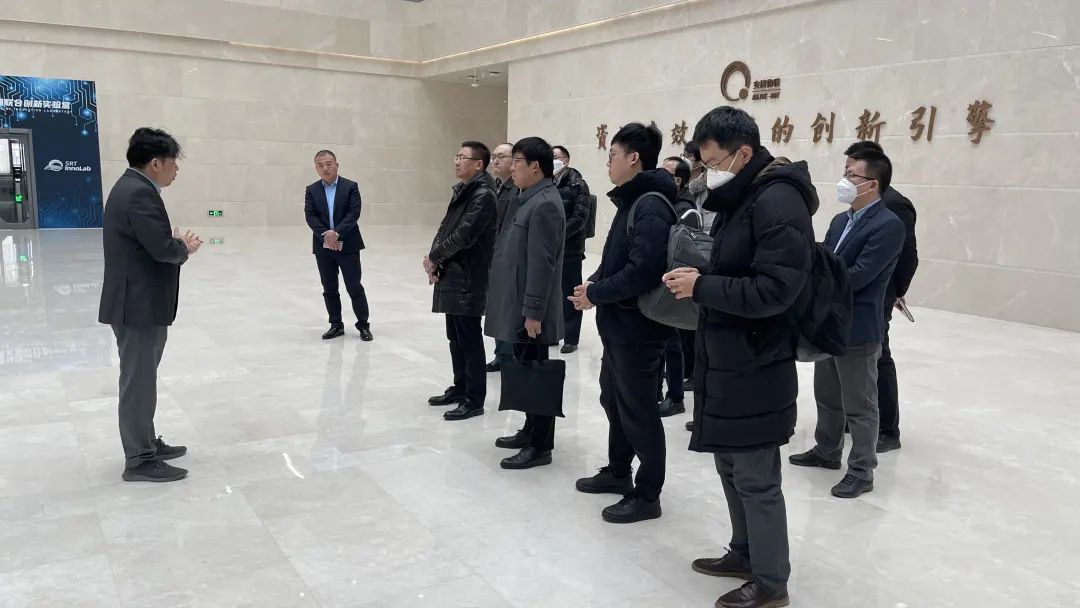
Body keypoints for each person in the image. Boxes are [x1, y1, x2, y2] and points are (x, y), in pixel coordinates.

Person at [664, 106, 816, 608]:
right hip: (729, 355)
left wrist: (703, 286)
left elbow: (776, 290)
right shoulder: (745, 195)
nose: (708, 173)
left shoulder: (778, 201)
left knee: (756, 477)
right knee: (730, 465)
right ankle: (745, 552)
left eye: (713, 163)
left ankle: (771, 583)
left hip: (757, 361)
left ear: (744, 153)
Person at [570, 123, 675, 524]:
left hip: (639, 330)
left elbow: (642, 271)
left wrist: (597, 293)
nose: (608, 163)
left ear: (634, 158)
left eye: (612, 155)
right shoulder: (632, 201)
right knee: (615, 400)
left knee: (639, 410)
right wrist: (594, 283)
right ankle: (618, 472)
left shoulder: (650, 204)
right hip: (620, 327)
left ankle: (648, 495)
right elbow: (618, 260)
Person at [789, 145, 905, 499]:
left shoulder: (889, 225)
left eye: (852, 175)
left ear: (872, 184)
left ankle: (861, 470)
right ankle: (827, 450)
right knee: (827, 395)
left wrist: (817, 282)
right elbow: (827, 261)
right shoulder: (841, 220)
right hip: (829, 321)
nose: (845, 180)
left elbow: (859, 275)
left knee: (860, 404)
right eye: (846, 173)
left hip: (858, 327)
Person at [98, 127, 201, 483]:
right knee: (138, 382)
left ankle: (146, 442)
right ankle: (139, 459)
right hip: (137, 305)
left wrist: (170, 241)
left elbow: (146, 241)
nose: (176, 170)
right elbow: (161, 249)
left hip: (137, 302)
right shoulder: (139, 193)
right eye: (173, 162)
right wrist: (183, 246)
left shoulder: (131, 188)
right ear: (156, 163)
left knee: (142, 379)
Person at [485, 137, 566, 469]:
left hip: (530, 310)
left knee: (537, 373)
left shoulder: (544, 203)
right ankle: (530, 430)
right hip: (519, 303)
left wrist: (533, 312)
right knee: (527, 369)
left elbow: (541, 264)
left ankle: (540, 445)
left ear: (535, 167)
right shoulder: (527, 197)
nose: (512, 167)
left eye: (517, 161)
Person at [844, 141, 919, 453]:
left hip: (877, 293)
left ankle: (888, 428)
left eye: (852, 171)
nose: (846, 178)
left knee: (878, 357)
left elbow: (908, 256)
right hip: (850, 293)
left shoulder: (894, 205)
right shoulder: (854, 206)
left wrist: (894, 293)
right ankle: (853, 416)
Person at [424, 141, 498, 421]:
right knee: (455, 337)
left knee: (469, 339)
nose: (456, 161)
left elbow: (464, 235)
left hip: (469, 276)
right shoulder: (465, 189)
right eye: (456, 156)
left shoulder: (483, 195)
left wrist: (435, 257)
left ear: (478, 164)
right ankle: (460, 387)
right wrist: (434, 258)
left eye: (462, 157)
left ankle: (474, 399)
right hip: (453, 272)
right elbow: (446, 228)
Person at [304, 150, 373, 341]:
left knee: (354, 287)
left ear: (336, 165)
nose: (325, 168)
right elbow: (310, 215)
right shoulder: (311, 190)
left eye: (329, 164)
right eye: (320, 165)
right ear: (316, 168)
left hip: (348, 245)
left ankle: (363, 325)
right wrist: (326, 236)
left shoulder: (350, 187)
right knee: (329, 288)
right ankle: (336, 325)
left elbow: (354, 212)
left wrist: (337, 233)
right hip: (323, 247)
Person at [655, 156, 700, 418]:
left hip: (674, 282)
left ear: (678, 180)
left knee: (672, 342)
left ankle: (675, 396)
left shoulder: (684, 209)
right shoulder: (664, 202)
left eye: (665, 172)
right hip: (662, 280)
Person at [552, 145, 592, 354]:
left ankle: (571, 337)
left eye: (555, 157)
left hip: (570, 248)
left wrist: (557, 235)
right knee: (550, 294)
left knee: (570, 293)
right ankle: (552, 333)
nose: (551, 160)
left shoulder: (578, 184)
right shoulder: (546, 183)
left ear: (566, 161)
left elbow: (580, 217)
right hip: (548, 248)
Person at [486, 142, 518, 373]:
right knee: (497, 307)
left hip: (507, 257)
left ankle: (508, 354)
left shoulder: (517, 189)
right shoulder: (494, 186)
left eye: (501, 156)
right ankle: (501, 353)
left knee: (507, 308)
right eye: (493, 156)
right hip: (492, 256)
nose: (495, 161)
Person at [683, 141, 717, 234]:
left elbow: (710, 220)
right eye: (684, 155)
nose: (686, 159)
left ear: (701, 160)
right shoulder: (682, 180)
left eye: (690, 156)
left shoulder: (708, 182)